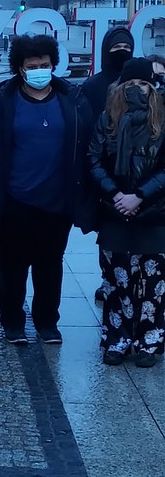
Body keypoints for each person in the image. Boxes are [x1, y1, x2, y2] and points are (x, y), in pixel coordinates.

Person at [0, 34, 92, 346]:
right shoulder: (1, 105)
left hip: (57, 203)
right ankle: (12, 321)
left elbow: (89, 147)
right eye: (32, 65)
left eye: (45, 64)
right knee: (14, 266)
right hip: (14, 202)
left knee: (50, 266)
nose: (39, 69)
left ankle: (47, 322)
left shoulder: (73, 102)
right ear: (20, 69)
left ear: (54, 65)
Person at [88, 58, 165, 367]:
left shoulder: (162, 119)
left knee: (152, 283)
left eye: (142, 84)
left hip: (154, 214)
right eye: (130, 84)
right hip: (114, 211)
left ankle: (150, 340)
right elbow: (93, 160)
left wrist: (141, 196)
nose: (136, 89)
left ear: (152, 86)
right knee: (117, 281)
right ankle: (116, 339)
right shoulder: (107, 119)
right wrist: (117, 195)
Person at [81, 27, 134, 305]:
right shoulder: (92, 86)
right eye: (116, 48)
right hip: (103, 172)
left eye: (126, 46)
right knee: (107, 233)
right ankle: (108, 279)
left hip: (138, 176)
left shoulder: (143, 85)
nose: (121, 52)